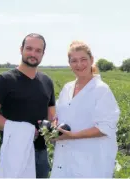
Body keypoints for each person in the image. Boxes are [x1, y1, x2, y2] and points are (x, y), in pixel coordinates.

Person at [0, 33, 56, 178]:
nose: (33, 53)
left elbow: (52, 115)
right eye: (29, 48)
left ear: (43, 54)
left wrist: (52, 129)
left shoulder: (47, 81)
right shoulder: (5, 80)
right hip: (14, 152)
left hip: (40, 153)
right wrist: (23, 130)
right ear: (21, 49)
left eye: (38, 50)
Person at [50, 41, 120, 178]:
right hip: (65, 158)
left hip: (91, 161)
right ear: (69, 64)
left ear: (91, 60)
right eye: (74, 61)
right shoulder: (67, 88)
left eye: (83, 59)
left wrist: (73, 136)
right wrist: (53, 126)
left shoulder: (101, 90)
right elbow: (58, 115)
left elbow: (106, 127)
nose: (79, 64)